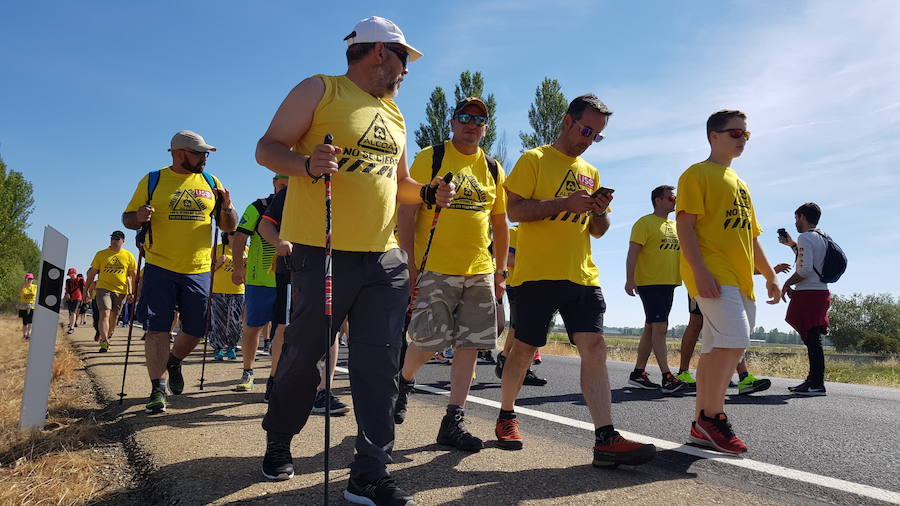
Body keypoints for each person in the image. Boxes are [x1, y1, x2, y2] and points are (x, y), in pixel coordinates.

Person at [254, 16, 453, 505]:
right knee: (304, 357)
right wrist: (306, 164)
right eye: (404, 59)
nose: (407, 71)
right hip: (322, 251)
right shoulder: (321, 89)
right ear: (380, 53)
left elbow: (400, 184)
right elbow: (266, 148)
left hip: (383, 259)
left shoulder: (396, 115)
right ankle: (279, 437)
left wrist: (426, 192)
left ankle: (369, 473)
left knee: (379, 366)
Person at [497, 93, 656, 468]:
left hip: (581, 274)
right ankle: (506, 415)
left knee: (596, 347)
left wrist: (598, 212)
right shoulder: (534, 159)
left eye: (597, 135)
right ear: (567, 121)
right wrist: (563, 203)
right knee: (522, 350)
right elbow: (515, 210)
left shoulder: (591, 172)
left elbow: (598, 230)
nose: (589, 139)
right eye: (586, 129)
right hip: (536, 274)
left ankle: (605, 438)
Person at [394, 97, 509, 452]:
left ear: (485, 127)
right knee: (429, 340)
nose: (471, 124)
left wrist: (501, 271)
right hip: (436, 267)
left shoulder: (492, 167)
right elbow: (407, 210)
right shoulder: (433, 156)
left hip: (479, 270)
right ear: (452, 123)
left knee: (470, 345)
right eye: (464, 117)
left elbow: (500, 223)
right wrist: (410, 263)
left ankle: (453, 421)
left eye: (479, 119)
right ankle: (404, 379)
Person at [677, 109, 781, 455]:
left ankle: (699, 426)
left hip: (741, 279)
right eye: (735, 133)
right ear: (714, 136)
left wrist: (769, 276)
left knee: (715, 349)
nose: (741, 139)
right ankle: (712, 415)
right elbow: (685, 226)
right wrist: (700, 271)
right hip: (713, 274)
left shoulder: (741, 184)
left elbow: (752, 237)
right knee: (736, 342)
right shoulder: (696, 174)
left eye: (745, 135)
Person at [122, 130, 237, 414]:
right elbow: (127, 219)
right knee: (157, 329)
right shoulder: (153, 180)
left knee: (196, 331)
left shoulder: (211, 182)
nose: (204, 159)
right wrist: (138, 217)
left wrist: (228, 206)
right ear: (178, 152)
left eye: (205, 154)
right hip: (160, 264)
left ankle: (174, 361)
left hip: (198, 269)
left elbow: (229, 226)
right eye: (199, 153)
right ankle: (157, 388)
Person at [258, 183, 349, 413]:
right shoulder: (292, 190)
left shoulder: (350, 188)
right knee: (285, 327)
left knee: (332, 327)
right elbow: (265, 226)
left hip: (333, 268)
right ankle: (275, 380)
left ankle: (323, 392)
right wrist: (279, 242)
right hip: (293, 268)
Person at [624, 185, 686, 394]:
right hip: (649, 282)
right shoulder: (644, 223)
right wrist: (629, 280)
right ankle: (667, 376)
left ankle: (638, 373)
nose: (674, 201)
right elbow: (633, 252)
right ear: (658, 200)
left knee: (652, 327)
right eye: (671, 198)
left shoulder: (676, 225)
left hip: (670, 282)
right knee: (660, 327)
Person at [230, 176, 288, 392]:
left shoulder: (298, 206)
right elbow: (240, 238)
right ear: (274, 182)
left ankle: (277, 377)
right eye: (283, 182)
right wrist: (237, 267)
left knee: (284, 329)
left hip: (289, 280)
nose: (286, 186)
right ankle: (248, 371)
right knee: (253, 327)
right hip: (260, 280)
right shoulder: (258, 206)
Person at [780, 202, 831, 396]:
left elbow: (805, 269)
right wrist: (792, 245)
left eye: (796, 218)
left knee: (812, 339)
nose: (795, 222)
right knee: (812, 337)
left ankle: (816, 383)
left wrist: (787, 283)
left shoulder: (806, 237)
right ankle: (813, 380)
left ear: (801, 217)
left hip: (809, 292)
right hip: (820, 290)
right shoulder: (823, 237)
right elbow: (811, 262)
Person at [492, 226, 548, 385]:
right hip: (517, 284)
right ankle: (513, 363)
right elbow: (505, 258)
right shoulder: (514, 231)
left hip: (537, 284)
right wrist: (536, 261)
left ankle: (508, 360)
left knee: (523, 326)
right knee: (521, 327)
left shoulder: (540, 234)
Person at [85, 231, 138, 353]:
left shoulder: (128, 256)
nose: (114, 241)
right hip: (103, 288)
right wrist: (85, 290)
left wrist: (133, 293)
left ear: (123, 241)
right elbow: (92, 274)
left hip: (120, 291)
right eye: (112, 239)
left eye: (117, 239)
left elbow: (133, 276)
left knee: (114, 317)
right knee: (105, 313)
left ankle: (108, 336)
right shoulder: (101, 254)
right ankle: (104, 341)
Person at [210, 231, 245, 361]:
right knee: (219, 321)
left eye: (237, 234)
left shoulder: (245, 250)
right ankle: (218, 348)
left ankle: (232, 346)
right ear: (226, 236)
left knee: (236, 322)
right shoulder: (218, 248)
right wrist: (219, 263)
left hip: (238, 290)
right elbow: (208, 269)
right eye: (231, 234)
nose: (234, 236)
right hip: (219, 290)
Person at [63, 268, 85, 334]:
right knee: (70, 313)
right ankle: (71, 323)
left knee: (73, 312)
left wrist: (87, 295)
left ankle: (71, 328)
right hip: (70, 298)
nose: (70, 276)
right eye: (69, 274)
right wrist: (67, 294)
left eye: (71, 274)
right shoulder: (68, 281)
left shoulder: (80, 280)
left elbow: (86, 287)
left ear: (75, 273)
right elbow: (67, 289)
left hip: (78, 298)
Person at [19, 273, 37, 340]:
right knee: (24, 322)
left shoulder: (35, 287)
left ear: (32, 279)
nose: (29, 280)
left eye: (31, 279)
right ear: (26, 279)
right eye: (28, 279)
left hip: (32, 307)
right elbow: (20, 291)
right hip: (24, 307)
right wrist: (25, 283)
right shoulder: (23, 286)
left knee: (30, 322)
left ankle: (29, 335)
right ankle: (24, 335)